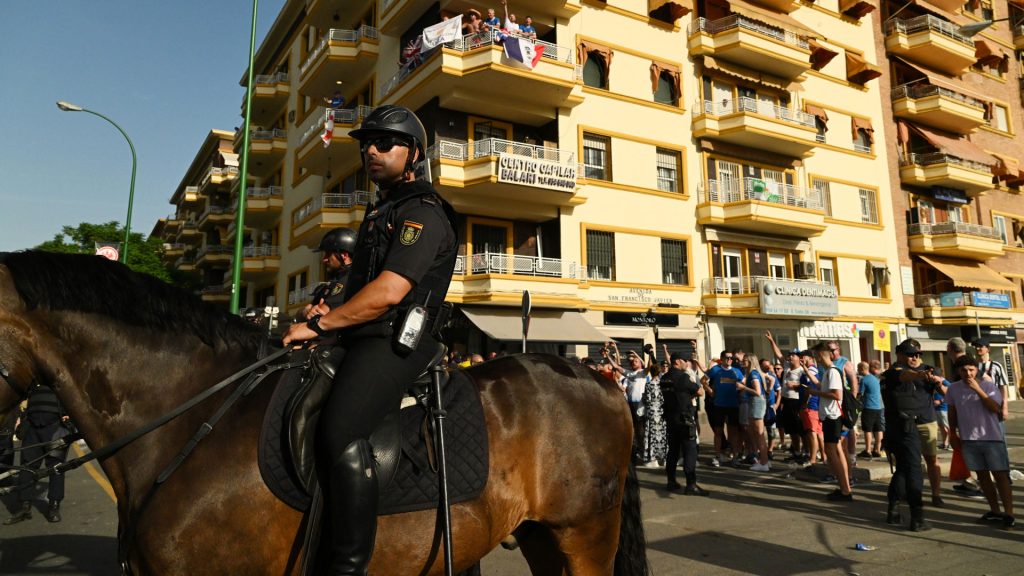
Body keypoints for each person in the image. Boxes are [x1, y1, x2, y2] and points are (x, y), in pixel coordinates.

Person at [282, 105, 458, 575]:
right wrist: (328, 310)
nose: (372, 151)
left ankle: (348, 564)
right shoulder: (382, 210)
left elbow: (389, 292)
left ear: (414, 153)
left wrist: (320, 326)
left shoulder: (424, 212)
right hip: (362, 333)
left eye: (385, 143)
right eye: (366, 144)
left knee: (341, 429)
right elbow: (360, 286)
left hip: (398, 342)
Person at [947, 355, 1015, 529]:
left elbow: (996, 409)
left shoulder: (988, 385)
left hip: (991, 437)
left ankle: (1009, 513)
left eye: (971, 369)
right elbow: (952, 412)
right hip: (969, 438)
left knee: (1000, 476)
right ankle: (995, 510)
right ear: (958, 371)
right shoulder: (954, 389)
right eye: (963, 370)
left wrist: (978, 389)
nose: (967, 373)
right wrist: (952, 433)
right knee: (983, 477)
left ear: (977, 370)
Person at [880, 340, 942, 531]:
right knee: (913, 469)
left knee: (904, 469)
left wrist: (936, 381)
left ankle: (894, 510)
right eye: (909, 354)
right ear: (898, 354)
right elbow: (904, 375)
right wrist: (919, 374)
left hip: (911, 424)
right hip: (903, 427)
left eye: (917, 354)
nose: (914, 357)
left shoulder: (927, 371)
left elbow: (943, 392)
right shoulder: (893, 372)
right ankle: (917, 517)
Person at [4, 381, 72, 525]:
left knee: (57, 468)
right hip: (32, 426)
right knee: (27, 467)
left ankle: (54, 506)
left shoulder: (59, 376)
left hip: (55, 427)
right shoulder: (33, 379)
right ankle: (25, 506)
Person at [804, 343, 853, 501]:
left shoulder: (832, 372)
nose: (815, 359)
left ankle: (845, 490)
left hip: (833, 416)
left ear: (819, 355)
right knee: (836, 452)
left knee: (832, 453)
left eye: (815, 356)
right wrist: (808, 376)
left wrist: (815, 393)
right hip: (830, 416)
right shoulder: (827, 373)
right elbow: (822, 387)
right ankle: (845, 488)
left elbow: (837, 395)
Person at [661, 353, 709, 495]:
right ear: (677, 361)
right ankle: (691, 484)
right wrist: (692, 393)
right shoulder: (682, 377)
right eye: (684, 361)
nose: (686, 363)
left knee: (673, 451)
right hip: (684, 419)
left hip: (670, 418)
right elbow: (700, 391)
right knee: (690, 451)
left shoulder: (664, 378)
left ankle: (671, 481)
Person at [304, 228, 357, 320]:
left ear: (344, 255)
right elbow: (301, 313)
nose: (324, 259)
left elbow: (323, 311)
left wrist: (313, 311)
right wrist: (306, 311)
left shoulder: (352, 280)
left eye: (328, 254)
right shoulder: (332, 282)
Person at [707, 350, 743, 468]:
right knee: (718, 432)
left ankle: (735, 456)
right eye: (727, 358)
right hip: (718, 405)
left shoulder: (737, 371)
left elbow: (743, 384)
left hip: (733, 405)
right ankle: (718, 456)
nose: (729, 360)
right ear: (722, 359)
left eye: (731, 358)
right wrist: (710, 390)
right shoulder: (715, 369)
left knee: (733, 433)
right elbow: (703, 380)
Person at [737, 355, 770, 472]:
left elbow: (757, 391)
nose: (742, 362)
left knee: (759, 434)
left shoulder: (754, 374)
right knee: (758, 434)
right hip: (756, 403)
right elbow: (770, 381)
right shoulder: (754, 373)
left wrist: (743, 387)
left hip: (756, 403)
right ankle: (764, 460)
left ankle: (764, 463)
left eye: (745, 360)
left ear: (750, 361)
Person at [621, 351, 649, 464]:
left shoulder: (644, 373)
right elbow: (617, 367)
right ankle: (638, 451)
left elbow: (649, 366)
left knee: (641, 429)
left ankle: (644, 452)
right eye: (632, 361)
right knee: (634, 429)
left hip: (640, 404)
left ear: (641, 363)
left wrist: (636, 354)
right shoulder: (629, 375)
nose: (633, 362)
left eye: (636, 361)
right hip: (630, 403)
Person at [972, 338, 1009, 422]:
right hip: (978, 405)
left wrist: (1005, 407)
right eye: (976, 346)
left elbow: (1003, 387)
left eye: (980, 346)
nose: (977, 348)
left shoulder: (997, 366)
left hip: (995, 404)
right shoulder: (972, 367)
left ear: (988, 349)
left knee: (998, 433)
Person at [857, 360, 884, 459]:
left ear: (862, 369)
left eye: (858, 368)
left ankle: (868, 450)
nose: (858, 370)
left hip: (868, 407)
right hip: (878, 407)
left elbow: (860, 394)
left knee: (867, 429)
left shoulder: (864, 380)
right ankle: (877, 449)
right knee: (878, 429)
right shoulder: (875, 379)